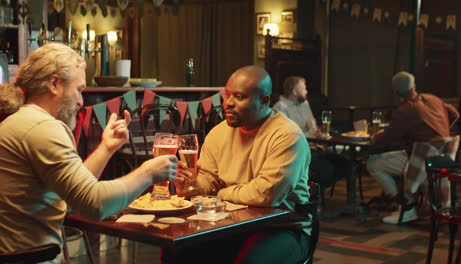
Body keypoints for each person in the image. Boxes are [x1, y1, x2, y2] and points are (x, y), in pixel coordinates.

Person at [0, 43, 182, 262]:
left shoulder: (22, 121)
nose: (80, 101)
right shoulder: (42, 128)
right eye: (78, 90)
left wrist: (106, 148)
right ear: (54, 84)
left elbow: (72, 197)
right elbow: (93, 205)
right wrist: (148, 173)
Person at [169, 66, 316, 264]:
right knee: (178, 252)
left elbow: (266, 195)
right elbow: (207, 182)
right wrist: (188, 185)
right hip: (229, 223)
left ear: (264, 101)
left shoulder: (286, 136)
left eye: (239, 97)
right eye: (227, 95)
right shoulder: (218, 133)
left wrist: (221, 193)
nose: (228, 104)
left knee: (252, 261)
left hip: (283, 226)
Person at [366, 71, 460, 224]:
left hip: (422, 165)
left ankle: (405, 207)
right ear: (414, 85)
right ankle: (410, 201)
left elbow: (386, 139)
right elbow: (454, 114)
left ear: (395, 91)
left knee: (374, 163)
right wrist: (440, 135)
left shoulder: (404, 111)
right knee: (400, 157)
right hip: (443, 163)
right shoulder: (434, 99)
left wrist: (375, 136)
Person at [273, 76, 351, 189]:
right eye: (304, 88)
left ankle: (316, 193)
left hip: (316, 147)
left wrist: (317, 132)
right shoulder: (280, 107)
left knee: (344, 164)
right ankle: (310, 196)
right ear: (295, 92)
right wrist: (302, 129)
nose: (306, 91)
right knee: (327, 169)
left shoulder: (305, 104)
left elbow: (312, 128)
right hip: (298, 152)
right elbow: (282, 135)